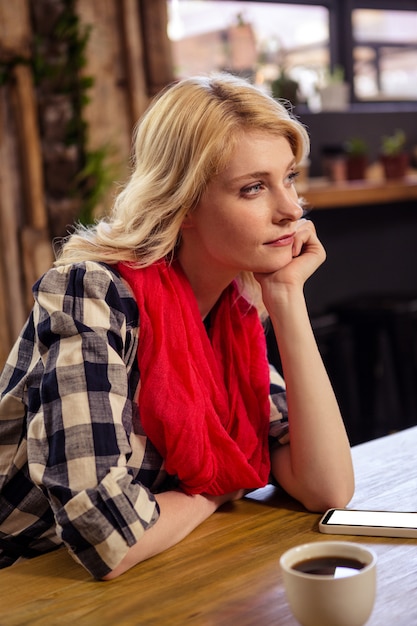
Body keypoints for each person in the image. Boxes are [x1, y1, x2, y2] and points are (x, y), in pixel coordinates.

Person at [0, 73, 354, 580]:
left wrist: (286, 298)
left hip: (153, 573)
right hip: (25, 581)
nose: (292, 210)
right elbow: (110, 538)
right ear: (183, 203)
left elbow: (328, 488)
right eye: (254, 188)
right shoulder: (89, 292)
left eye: (290, 177)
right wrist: (213, 491)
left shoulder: (228, 311)